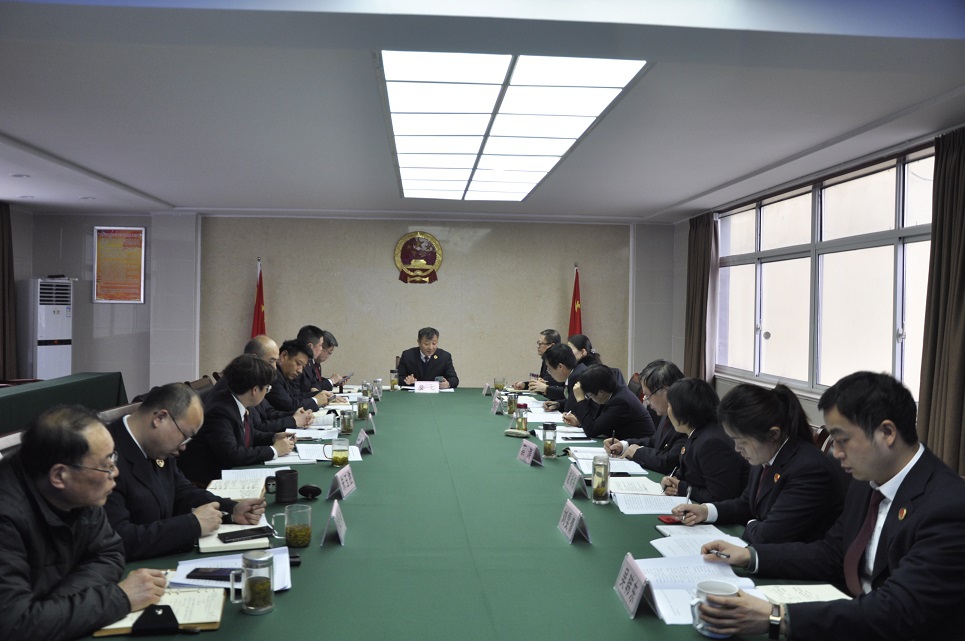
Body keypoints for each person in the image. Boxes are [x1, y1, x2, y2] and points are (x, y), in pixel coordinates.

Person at [698, 372, 965, 640]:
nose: (835, 452)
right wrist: (751, 556)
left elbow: (898, 609)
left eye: (842, 440)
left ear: (887, 433)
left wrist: (779, 617)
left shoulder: (949, 507)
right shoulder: (866, 483)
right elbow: (833, 554)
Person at [0, 405, 168, 641]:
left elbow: (109, 552)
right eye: (105, 465)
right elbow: (15, 626)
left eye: (113, 459)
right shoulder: (6, 516)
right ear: (59, 476)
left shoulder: (82, 493)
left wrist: (56, 605)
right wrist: (119, 598)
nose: (115, 473)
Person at [104, 383, 267, 560]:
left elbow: (183, 492)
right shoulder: (104, 456)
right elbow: (119, 538)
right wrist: (192, 525)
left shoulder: (157, 446)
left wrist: (232, 509)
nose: (183, 446)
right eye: (184, 436)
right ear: (160, 418)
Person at [672, 383, 849, 544]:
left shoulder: (808, 469)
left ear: (773, 434)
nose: (737, 449)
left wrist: (751, 523)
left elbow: (768, 535)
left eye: (742, 442)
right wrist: (706, 511)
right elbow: (745, 505)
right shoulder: (765, 455)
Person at [179, 355, 296, 484]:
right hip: (211, 480)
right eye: (267, 388)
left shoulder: (238, 401)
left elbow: (247, 434)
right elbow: (232, 455)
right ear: (255, 390)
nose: (266, 392)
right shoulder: (220, 411)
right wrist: (274, 450)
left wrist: (273, 437)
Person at [659, 378, 748, 503]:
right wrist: (672, 479)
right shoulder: (699, 432)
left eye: (669, 405)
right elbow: (690, 472)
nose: (668, 411)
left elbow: (718, 497)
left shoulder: (712, 443)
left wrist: (681, 488)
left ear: (682, 410)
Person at [604, 359, 687, 474]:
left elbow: (670, 462)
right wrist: (624, 445)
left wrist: (638, 452)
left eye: (648, 395)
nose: (646, 401)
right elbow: (654, 441)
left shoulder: (686, 419)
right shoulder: (666, 413)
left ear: (666, 391)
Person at [564, 364, 655, 440]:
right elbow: (598, 424)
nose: (590, 398)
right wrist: (580, 423)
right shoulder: (613, 393)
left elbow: (591, 431)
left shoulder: (621, 402)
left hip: (639, 448)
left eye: (589, 395)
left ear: (601, 392)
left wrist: (580, 399)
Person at [242, 335, 313, 431]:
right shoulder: (243, 384)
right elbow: (258, 427)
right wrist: (293, 420)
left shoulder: (257, 380)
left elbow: (269, 412)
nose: (275, 367)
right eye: (271, 361)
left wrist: (297, 415)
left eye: (276, 361)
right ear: (254, 358)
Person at [265, 339, 334, 412]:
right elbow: (289, 406)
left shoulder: (284, 374)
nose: (300, 371)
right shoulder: (273, 376)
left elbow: (295, 397)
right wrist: (316, 400)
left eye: (303, 367)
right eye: (298, 364)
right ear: (284, 356)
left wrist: (319, 394)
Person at [296, 325, 346, 394]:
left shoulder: (314, 363)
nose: (320, 349)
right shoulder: (301, 364)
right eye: (320, 346)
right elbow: (310, 388)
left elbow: (315, 382)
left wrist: (333, 382)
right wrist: (331, 381)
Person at [541, 343, 587, 413]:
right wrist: (558, 404)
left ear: (560, 367)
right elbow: (572, 402)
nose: (549, 373)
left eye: (549, 369)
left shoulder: (577, 378)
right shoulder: (575, 372)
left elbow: (573, 410)